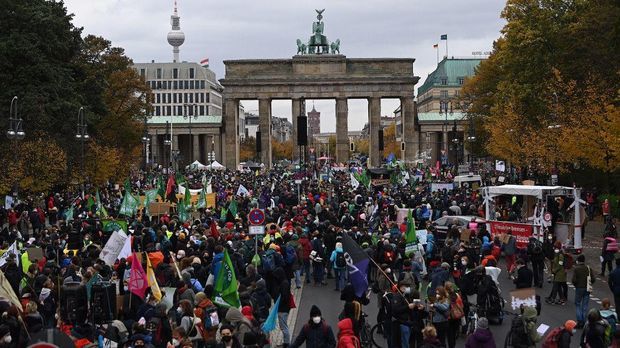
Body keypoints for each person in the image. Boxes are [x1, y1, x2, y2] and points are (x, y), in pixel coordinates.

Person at [572, 254, 594, 329]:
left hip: (579, 288)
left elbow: (574, 280)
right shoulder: (588, 268)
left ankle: (579, 320)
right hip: (587, 288)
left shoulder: (576, 269)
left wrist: (576, 285)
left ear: (578, 260)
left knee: (578, 304)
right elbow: (593, 279)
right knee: (585, 306)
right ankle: (584, 321)